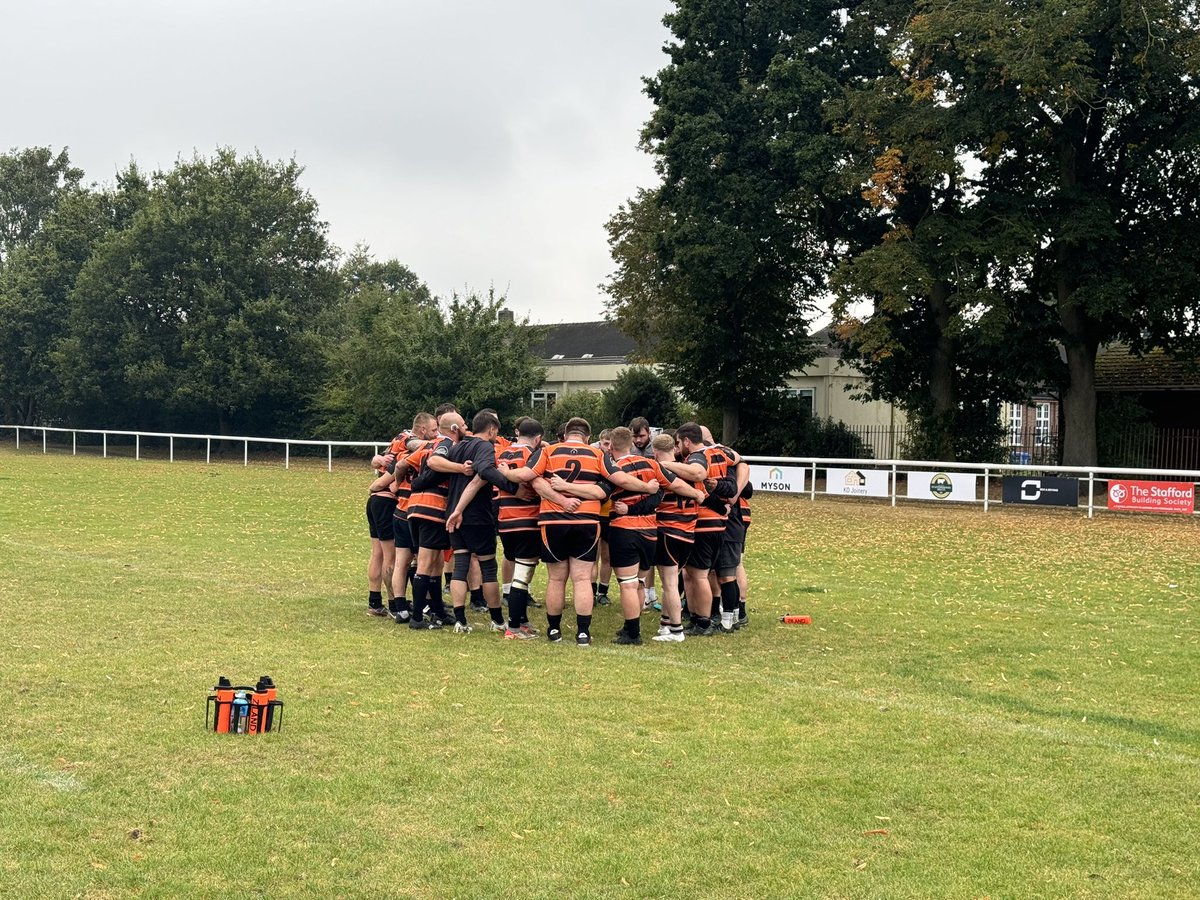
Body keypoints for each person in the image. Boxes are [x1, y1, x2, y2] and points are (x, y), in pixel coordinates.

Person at [503, 417, 658, 646]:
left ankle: (554, 630)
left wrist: (506, 472)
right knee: (583, 578)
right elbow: (620, 479)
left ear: (566, 434)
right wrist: (647, 487)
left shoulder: (549, 451)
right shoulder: (597, 455)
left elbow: (526, 476)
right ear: (588, 437)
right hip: (586, 521)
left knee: (556, 578)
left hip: (553, 521)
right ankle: (583, 633)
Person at [658, 422, 741, 635]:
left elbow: (698, 474)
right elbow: (742, 463)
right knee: (692, 574)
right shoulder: (721, 453)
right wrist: (726, 501)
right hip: (714, 523)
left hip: (704, 523)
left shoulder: (697, 457)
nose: (677, 448)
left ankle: (704, 621)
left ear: (687, 441)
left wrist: (664, 465)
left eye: (679, 443)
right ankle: (697, 618)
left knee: (700, 575)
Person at [404, 411, 474, 629]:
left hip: (421, 506)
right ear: (454, 429)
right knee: (426, 562)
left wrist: (411, 484)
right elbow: (434, 463)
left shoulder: (429, 444)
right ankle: (417, 617)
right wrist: (461, 468)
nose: (466, 428)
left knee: (434, 563)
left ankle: (437, 611)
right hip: (430, 507)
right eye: (463, 425)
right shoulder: (444, 443)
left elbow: (403, 465)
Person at [648, 432, 705, 641]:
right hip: (689, 531)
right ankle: (665, 624)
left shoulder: (658, 471)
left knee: (670, 583)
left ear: (655, 452)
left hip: (668, 530)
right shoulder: (690, 471)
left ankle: (676, 630)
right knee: (670, 580)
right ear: (674, 448)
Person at [364, 454, 396, 617]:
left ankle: (374, 601)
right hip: (386, 502)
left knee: (377, 553)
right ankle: (394, 603)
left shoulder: (397, 443)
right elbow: (393, 486)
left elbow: (375, 460)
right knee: (390, 556)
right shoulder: (409, 446)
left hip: (374, 502)